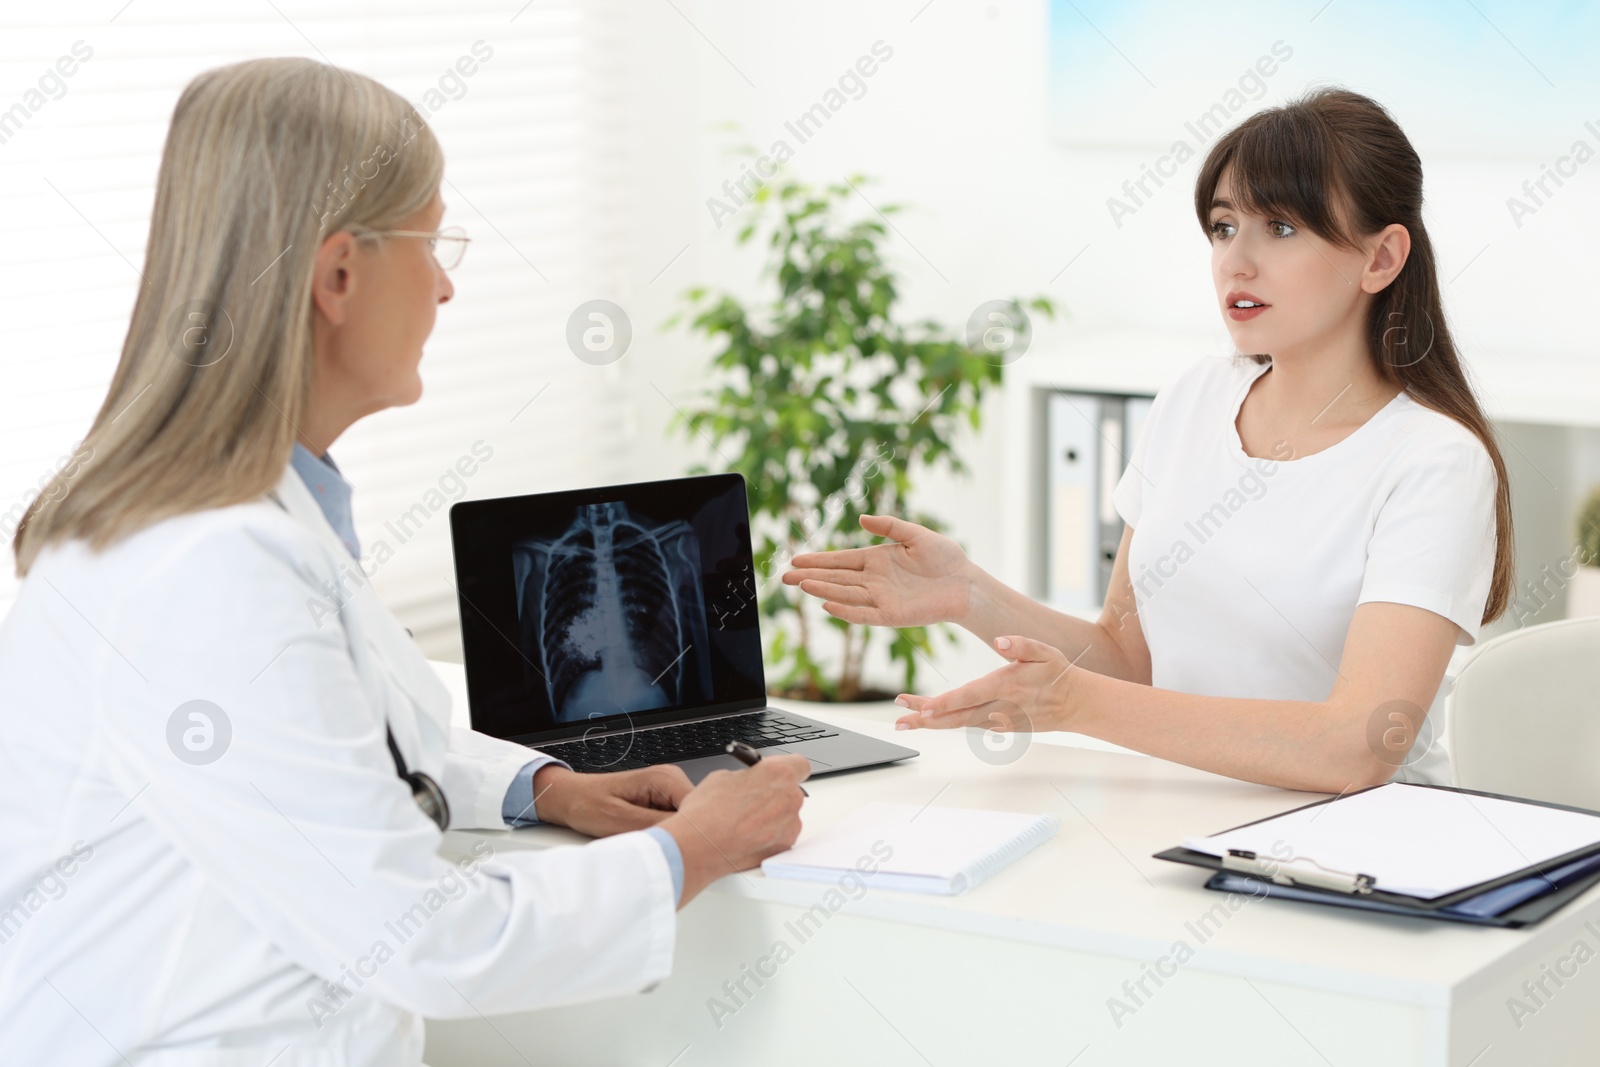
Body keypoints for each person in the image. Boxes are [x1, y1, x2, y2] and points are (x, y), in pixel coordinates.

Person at [0, 58, 808, 1066]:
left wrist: (545, 787)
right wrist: (691, 849)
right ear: (339, 274)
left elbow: (350, 742)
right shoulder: (204, 564)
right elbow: (424, 934)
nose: (445, 283)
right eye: (431, 242)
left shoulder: (250, 511)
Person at [784, 88, 1512, 795]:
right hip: (1180, 814)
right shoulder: (1195, 398)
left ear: (1381, 259)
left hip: (1359, 852)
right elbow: (1130, 657)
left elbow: (1356, 746)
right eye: (1225, 227)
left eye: (1281, 228)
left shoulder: (1433, 461)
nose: (1237, 260)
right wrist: (970, 593)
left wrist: (1076, 704)